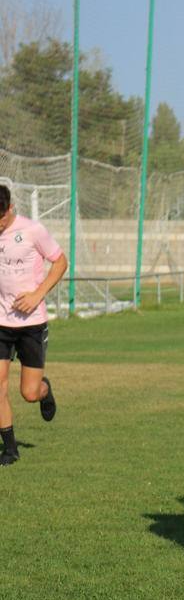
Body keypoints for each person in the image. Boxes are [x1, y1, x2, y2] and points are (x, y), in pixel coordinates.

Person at [0, 184, 68, 466]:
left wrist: (38, 294)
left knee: (28, 393)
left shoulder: (32, 231)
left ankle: (44, 390)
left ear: (10, 209)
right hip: (0, 322)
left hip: (31, 325)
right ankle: (10, 448)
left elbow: (60, 262)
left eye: (0, 219)